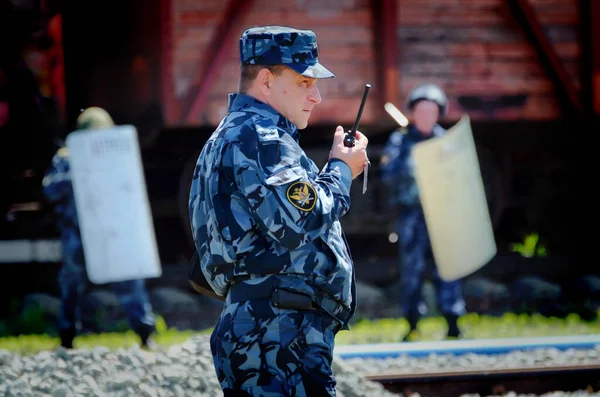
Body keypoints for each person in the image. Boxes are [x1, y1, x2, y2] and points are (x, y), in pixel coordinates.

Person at [188, 26, 369, 396]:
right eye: (304, 82)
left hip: (268, 329)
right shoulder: (260, 137)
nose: (316, 96)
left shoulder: (234, 134)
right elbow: (300, 220)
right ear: (267, 81)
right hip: (280, 333)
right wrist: (340, 170)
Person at [42, 107, 157, 349]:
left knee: (129, 280)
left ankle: (145, 334)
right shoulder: (67, 157)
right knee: (71, 286)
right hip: (78, 233)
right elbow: (50, 190)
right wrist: (78, 173)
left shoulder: (115, 155)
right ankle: (67, 338)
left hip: (111, 229)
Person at [380, 83, 466, 341]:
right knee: (411, 270)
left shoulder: (446, 142)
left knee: (447, 268)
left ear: (438, 114)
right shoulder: (400, 141)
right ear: (413, 113)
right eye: (421, 111)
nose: (426, 117)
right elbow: (388, 176)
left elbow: (460, 178)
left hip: (441, 214)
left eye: (431, 112)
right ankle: (413, 323)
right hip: (412, 216)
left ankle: (453, 321)